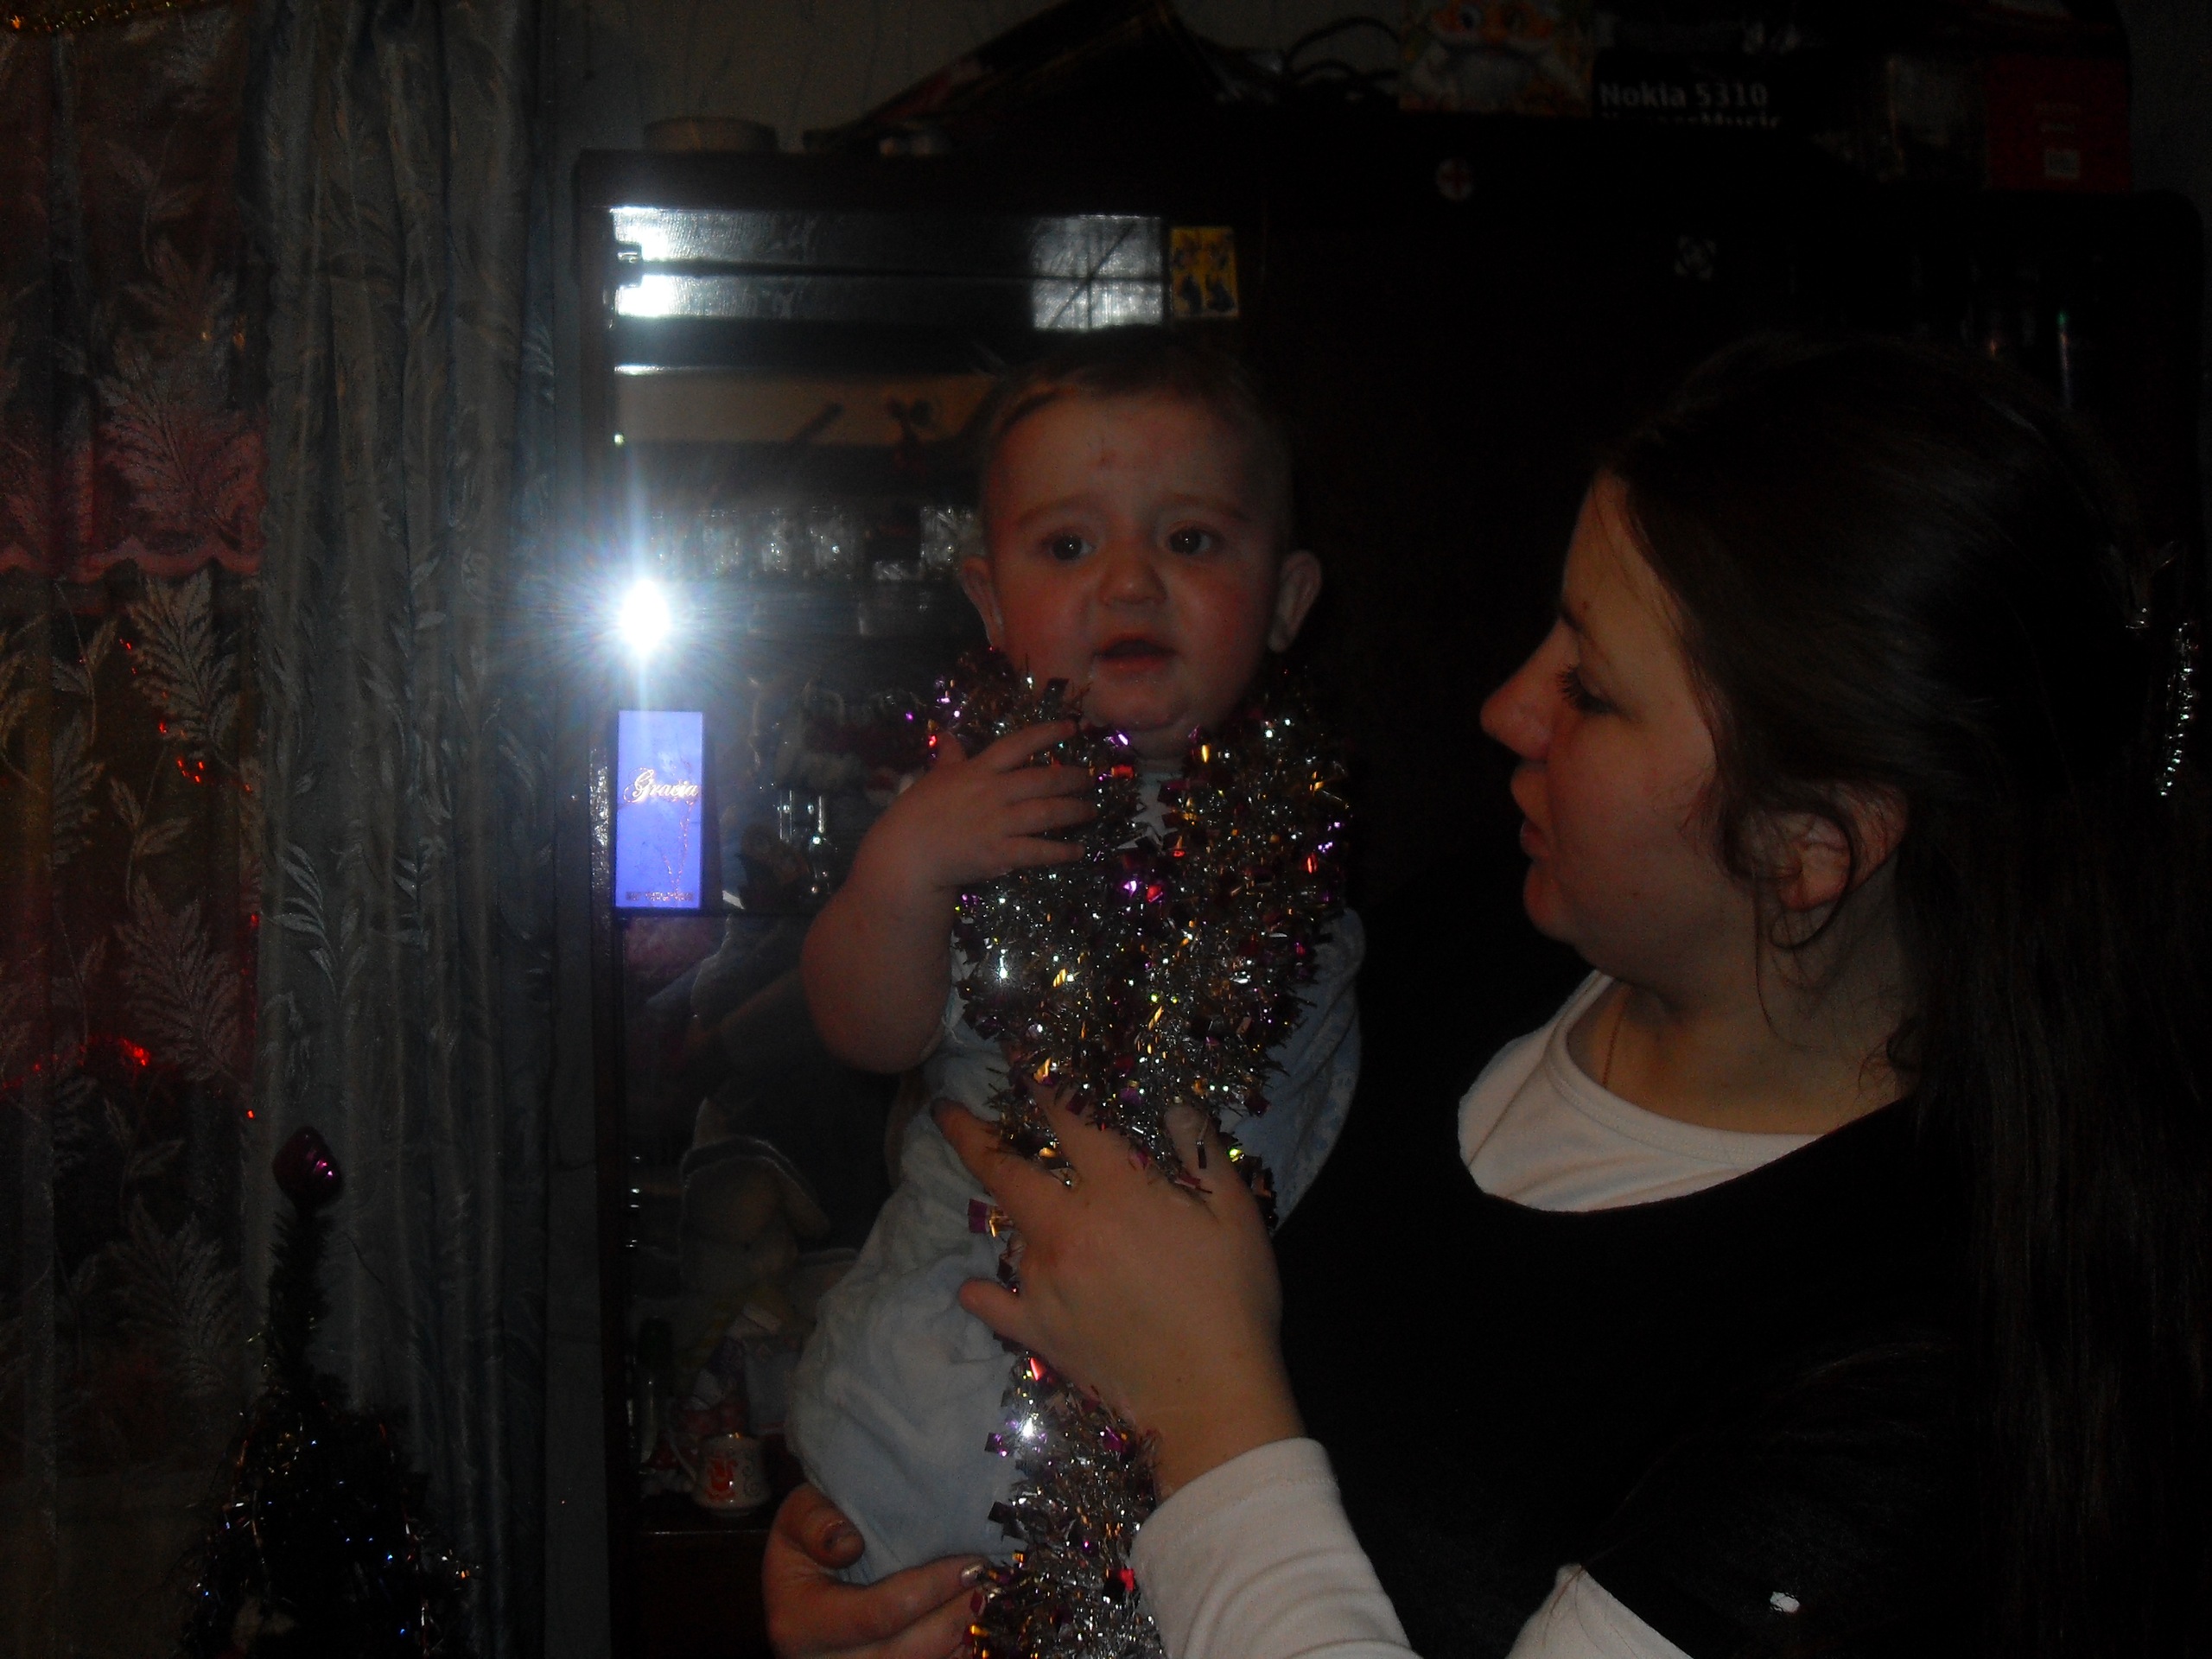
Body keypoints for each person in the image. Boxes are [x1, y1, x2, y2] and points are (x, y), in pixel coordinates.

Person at [766, 334, 2211, 1659]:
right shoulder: (1472, 945)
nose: (1507, 708)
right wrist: (889, 1545)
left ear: (1807, 849)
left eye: (1594, 690)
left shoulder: (1902, 1378)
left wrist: (1201, 1396)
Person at [784, 331, 1366, 1584]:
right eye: (1067, 547)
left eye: (1191, 540)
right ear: (992, 604)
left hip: (1209, 1412)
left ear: (1286, 600)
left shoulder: (1303, 849)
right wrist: (901, 873)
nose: (1130, 584)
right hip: (957, 1359)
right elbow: (864, 1030)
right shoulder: (979, 811)